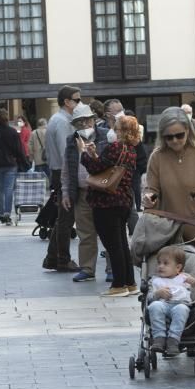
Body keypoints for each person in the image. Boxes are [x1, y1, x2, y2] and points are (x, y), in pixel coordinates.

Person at [142, 107, 195, 291]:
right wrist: (149, 198)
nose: (175, 140)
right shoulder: (157, 157)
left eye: (179, 135)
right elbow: (151, 188)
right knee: (170, 272)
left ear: (188, 131)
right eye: (168, 137)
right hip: (168, 227)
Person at [81, 114, 138, 297]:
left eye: (117, 128)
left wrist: (83, 153)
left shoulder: (116, 147)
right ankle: (130, 283)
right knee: (121, 243)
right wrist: (95, 155)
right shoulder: (130, 149)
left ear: (122, 131)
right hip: (123, 201)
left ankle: (118, 284)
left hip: (107, 202)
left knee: (112, 245)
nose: (113, 131)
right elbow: (107, 167)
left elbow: (96, 168)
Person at [63, 103, 109, 283]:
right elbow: (67, 168)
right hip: (82, 192)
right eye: (78, 122)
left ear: (93, 119)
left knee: (108, 231)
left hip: (103, 191)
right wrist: (66, 192)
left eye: (86, 120)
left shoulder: (105, 136)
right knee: (85, 233)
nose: (83, 125)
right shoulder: (71, 140)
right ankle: (87, 268)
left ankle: (112, 267)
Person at [43, 86, 82, 272]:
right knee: (66, 218)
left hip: (58, 172)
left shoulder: (58, 120)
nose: (80, 103)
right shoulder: (62, 122)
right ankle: (62, 258)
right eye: (77, 99)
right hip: (62, 173)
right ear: (67, 101)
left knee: (63, 218)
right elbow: (66, 153)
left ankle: (53, 257)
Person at [147, 245, 195, 357]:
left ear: (178, 268)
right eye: (159, 263)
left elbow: (194, 296)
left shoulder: (185, 278)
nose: (160, 266)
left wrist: (194, 284)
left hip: (180, 304)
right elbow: (148, 297)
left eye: (165, 263)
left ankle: (173, 340)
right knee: (154, 306)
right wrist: (157, 294)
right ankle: (159, 338)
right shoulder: (155, 281)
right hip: (163, 304)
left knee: (181, 309)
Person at [0, 109, 28, 225]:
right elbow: (18, 149)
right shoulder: (13, 132)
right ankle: (7, 213)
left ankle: (1, 213)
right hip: (10, 164)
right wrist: (23, 162)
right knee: (8, 189)